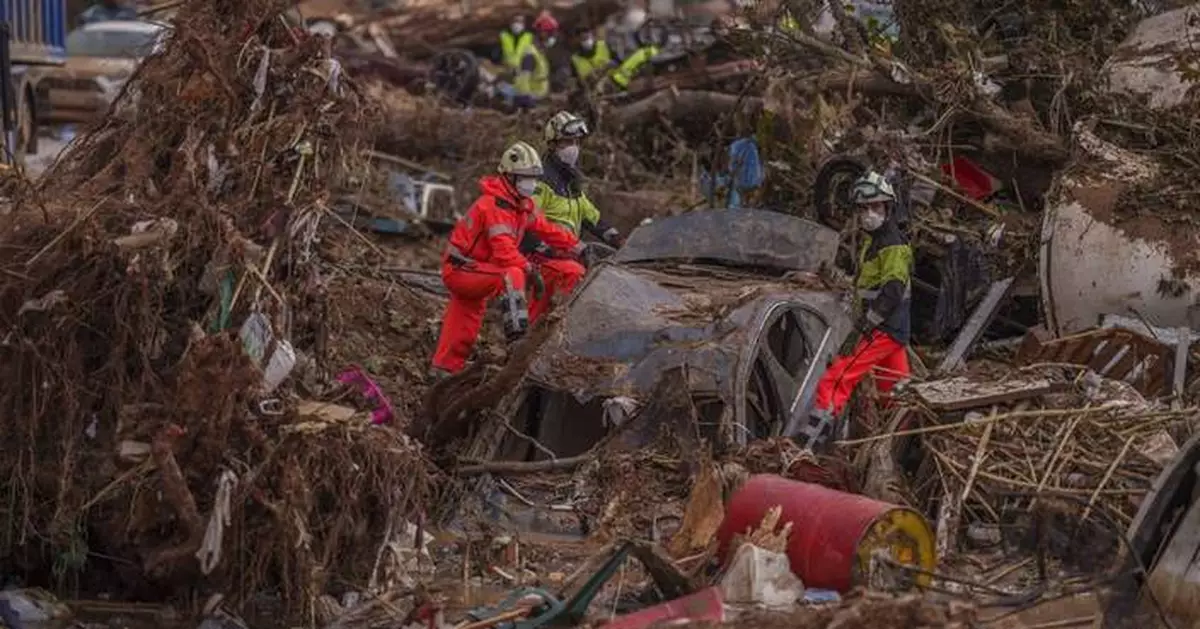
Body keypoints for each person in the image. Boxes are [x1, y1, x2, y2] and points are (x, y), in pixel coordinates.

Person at [430, 142, 586, 378]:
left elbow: (548, 229)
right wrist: (530, 269)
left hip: (478, 269)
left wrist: (578, 246)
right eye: (526, 178)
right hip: (462, 269)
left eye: (534, 178)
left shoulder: (521, 205)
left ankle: (443, 370)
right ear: (510, 177)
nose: (531, 184)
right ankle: (517, 340)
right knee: (511, 274)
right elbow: (505, 253)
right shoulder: (493, 206)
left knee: (464, 321)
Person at [800, 172, 912, 448]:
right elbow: (866, 284)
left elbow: (892, 292)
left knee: (837, 378)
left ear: (888, 208)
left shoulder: (892, 245)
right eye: (863, 209)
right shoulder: (872, 241)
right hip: (892, 330)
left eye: (876, 207)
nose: (869, 214)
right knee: (896, 391)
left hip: (883, 328)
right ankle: (905, 445)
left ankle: (808, 447)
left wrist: (864, 326)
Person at [522, 111, 622, 320]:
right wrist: (552, 250)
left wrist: (616, 238)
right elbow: (527, 224)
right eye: (567, 142)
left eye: (576, 141)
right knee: (573, 275)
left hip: (569, 254)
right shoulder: (541, 181)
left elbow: (590, 216)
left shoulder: (571, 182)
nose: (573, 148)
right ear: (552, 144)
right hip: (542, 257)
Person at [511, 11, 557, 108]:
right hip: (532, 101)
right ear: (543, 34)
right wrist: (526, 99)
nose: (553, 37)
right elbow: (523, 79)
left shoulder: (540, 53)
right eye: (551, 33)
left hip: (539, 98)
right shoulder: (531, 54)